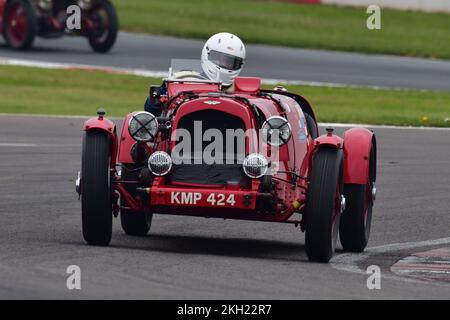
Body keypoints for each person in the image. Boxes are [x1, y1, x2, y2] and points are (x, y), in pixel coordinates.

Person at [144, 32, 246, 115]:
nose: (225, 64)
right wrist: (155, 101)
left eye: (230, 62)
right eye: (221, 59)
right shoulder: (183, 80)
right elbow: (150, 109)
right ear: (208, 54)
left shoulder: (241, 94)